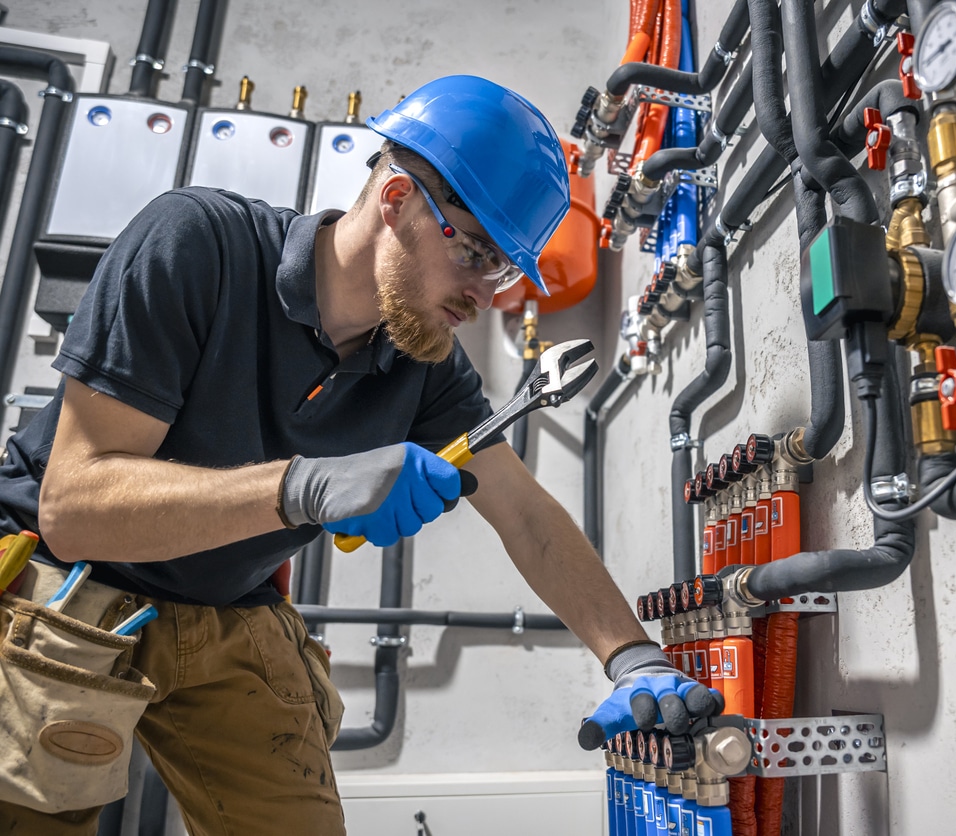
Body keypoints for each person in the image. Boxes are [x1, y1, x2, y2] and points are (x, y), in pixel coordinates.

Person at [0, 76, 715, 835]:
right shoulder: (198, 244)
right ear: (399, 200)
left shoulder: (424, 363)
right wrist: (303, 487)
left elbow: (527, 515)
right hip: (63, 583)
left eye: (503, 270)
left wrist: (632, 657)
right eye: (476, 253)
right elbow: (74, 509)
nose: (486, 293)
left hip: (227, 608)